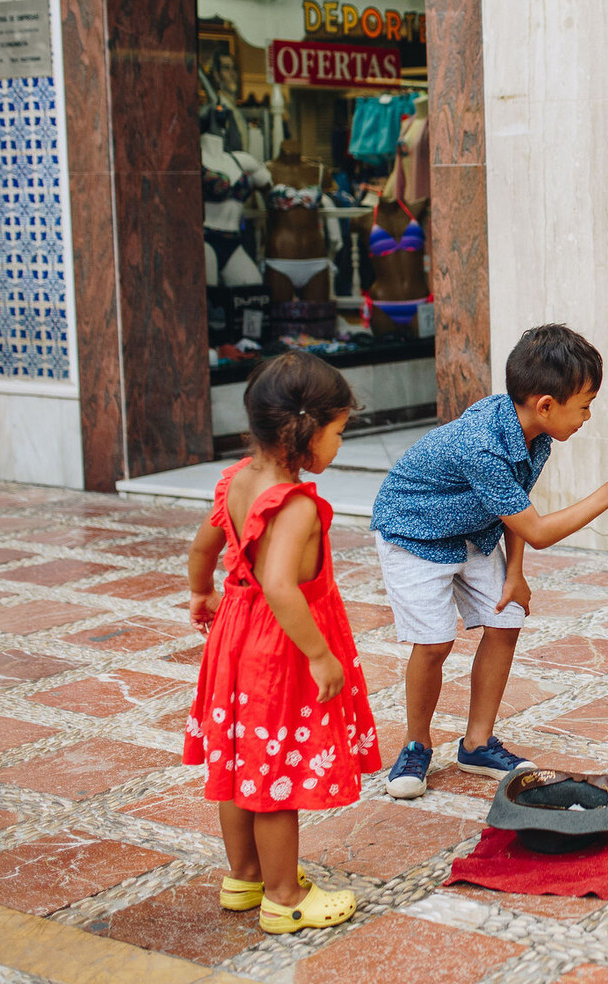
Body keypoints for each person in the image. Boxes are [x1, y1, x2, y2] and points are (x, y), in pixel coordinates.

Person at [371, 324, 608, 799]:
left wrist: (515, 574)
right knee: (435, 642)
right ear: (546, 404)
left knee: (506, 618)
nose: (587, 416)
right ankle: (416, 745)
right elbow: (539, 531)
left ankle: (477, 743)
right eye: (584, 405)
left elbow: (519, 508)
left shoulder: (534, 437)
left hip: (472, 529)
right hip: (414, 532)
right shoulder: (482, 444)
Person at [182, 352, 380, 935]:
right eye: (339, 432)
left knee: (241, 759)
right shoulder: (295, 504)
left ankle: (242, 877)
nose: (340, 444)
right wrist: (321, 654)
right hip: (280, 649)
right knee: (275, 774)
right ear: (304, 432)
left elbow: (203, 548)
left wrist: (202, 594)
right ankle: (285, 896)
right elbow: (279, 585)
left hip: (235, 637)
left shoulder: (236, 480)